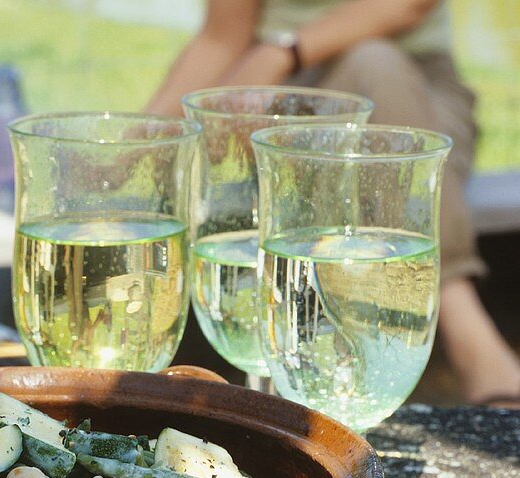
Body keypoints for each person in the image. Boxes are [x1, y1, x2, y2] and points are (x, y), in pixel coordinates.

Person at [147, 0, 520, 406]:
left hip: (414, 86)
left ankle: (463, 323)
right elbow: (222, 37)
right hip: (293, 93)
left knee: (373, 61)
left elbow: (406, 5)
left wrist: (279, 52)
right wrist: (135, 142)